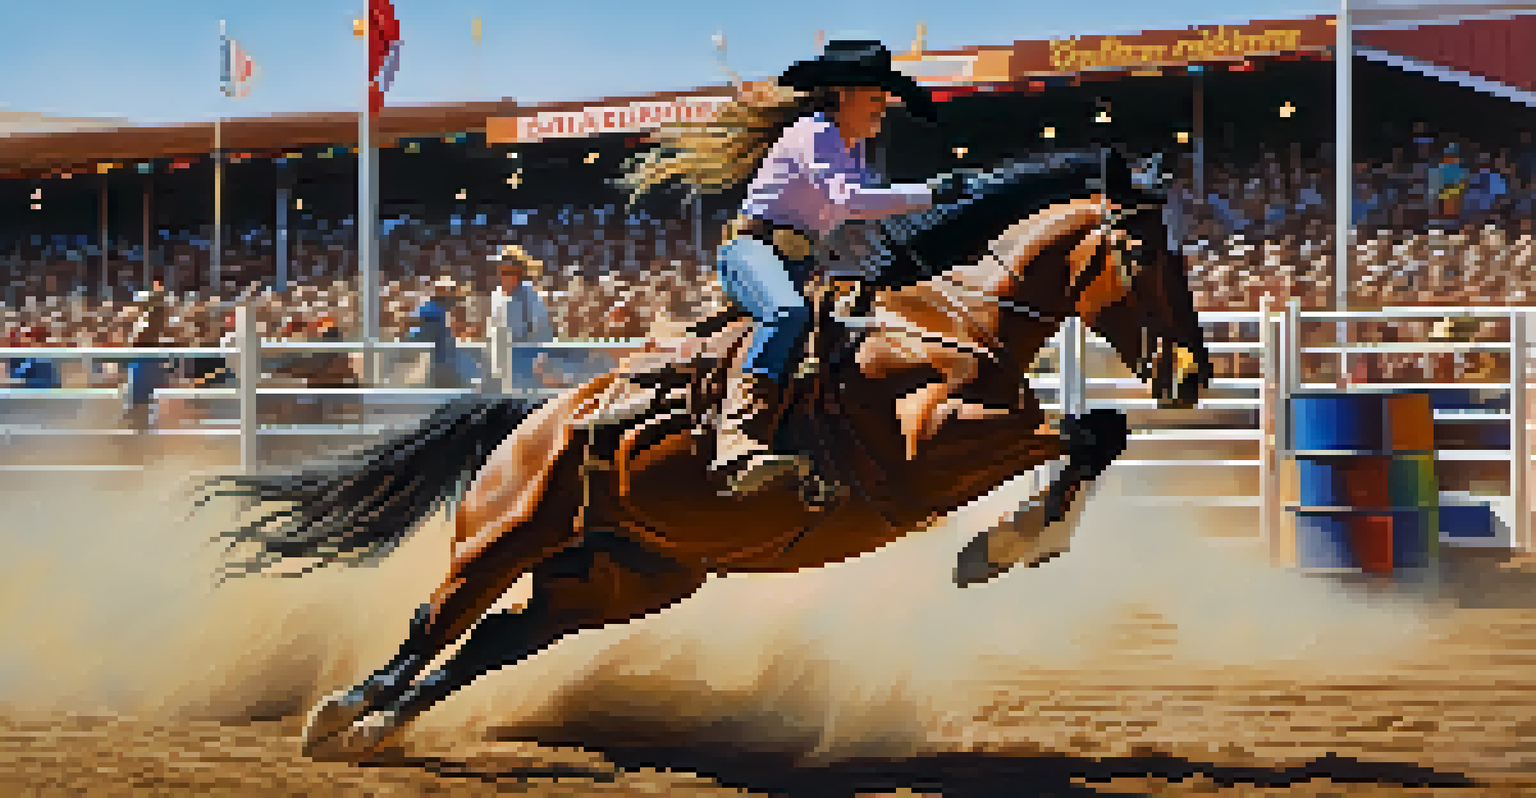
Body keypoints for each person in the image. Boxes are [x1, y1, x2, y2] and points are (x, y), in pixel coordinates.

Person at [618, 39, 1128, 499]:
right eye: (876, 94)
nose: (884, 103)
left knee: (845, 333)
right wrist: (931, 193)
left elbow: (862, 208)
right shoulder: (813, 133)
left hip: (799, 257)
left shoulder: (847, 143)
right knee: (788, 316)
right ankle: (739, 439)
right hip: (754, 253)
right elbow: (848, 202)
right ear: (843, 94)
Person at [489, 244, 554, 395]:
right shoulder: (496, 294)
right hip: (501, 364)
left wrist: (540, 360)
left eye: (507, 270)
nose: (502, 273)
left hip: (525, 364)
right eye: (501, 268)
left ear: (517, 272)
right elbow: (493, 331)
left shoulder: (530, 294)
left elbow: (542, 330)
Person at [411, 277, 479, 389]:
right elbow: (416, 335)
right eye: (448, 290)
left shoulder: (448, 311)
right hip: (434, 366)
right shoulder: (429, 310)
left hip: (451, 367)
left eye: (452, 290)